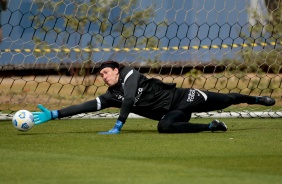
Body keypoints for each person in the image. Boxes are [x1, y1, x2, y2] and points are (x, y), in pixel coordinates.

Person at [32, 61, 276, 134]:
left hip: (186, 97)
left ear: (116, 70)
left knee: (227, 99)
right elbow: (88, 105)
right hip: (174, 111)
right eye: (101, 75)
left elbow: (129, 99)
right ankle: (212, 127)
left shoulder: (131, 75)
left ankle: (256, 99)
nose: (104, 77)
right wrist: (55, 114)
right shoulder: (111, 94)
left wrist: (118, 125)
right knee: (164, 127)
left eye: (106, 72)